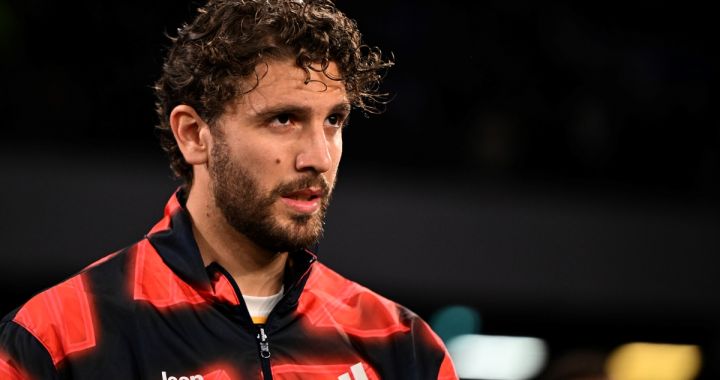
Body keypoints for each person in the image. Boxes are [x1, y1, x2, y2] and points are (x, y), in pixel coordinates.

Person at [0, 0, 458, 378]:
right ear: (194, 135)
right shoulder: (57, 338)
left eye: (334, 120)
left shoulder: (403, 349)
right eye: (283, 119)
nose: (318, 157)